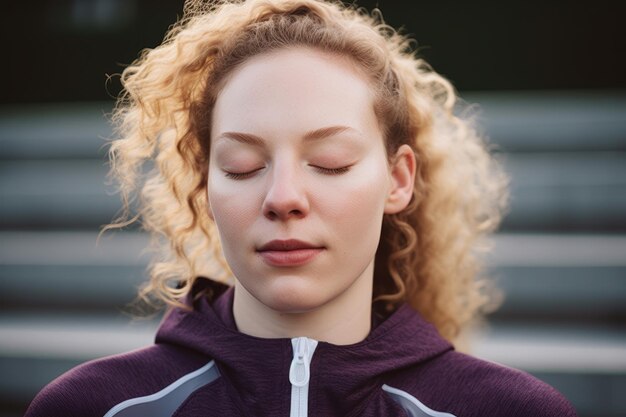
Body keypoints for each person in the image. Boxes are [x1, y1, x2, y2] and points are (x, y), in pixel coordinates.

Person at [26, 0, 578, 416]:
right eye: (243, 165)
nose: (283, 197)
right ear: (204, 184)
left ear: (398, 179)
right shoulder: (94, 406)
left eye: (331, 161)